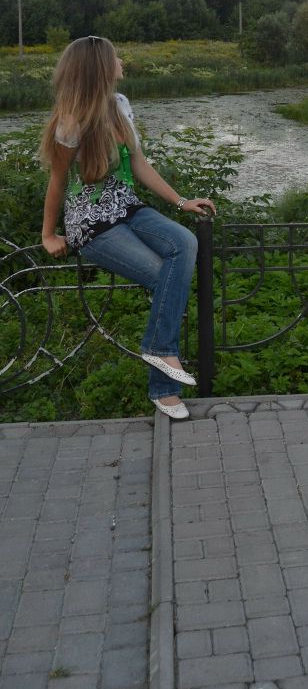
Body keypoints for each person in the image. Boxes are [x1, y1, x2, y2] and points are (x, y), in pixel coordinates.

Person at [39, 35, 215, 420]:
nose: (123, 61)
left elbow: (139, 165)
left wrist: (182, 202)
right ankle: (164, 385)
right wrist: (48, 234)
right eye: (116, 57)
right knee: (163, 276)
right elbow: (56, 180)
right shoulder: (72, 121)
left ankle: (158, 349)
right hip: (91, 223)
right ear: (100, 68)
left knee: (184, 242)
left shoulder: (120, 106)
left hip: (128, 208)